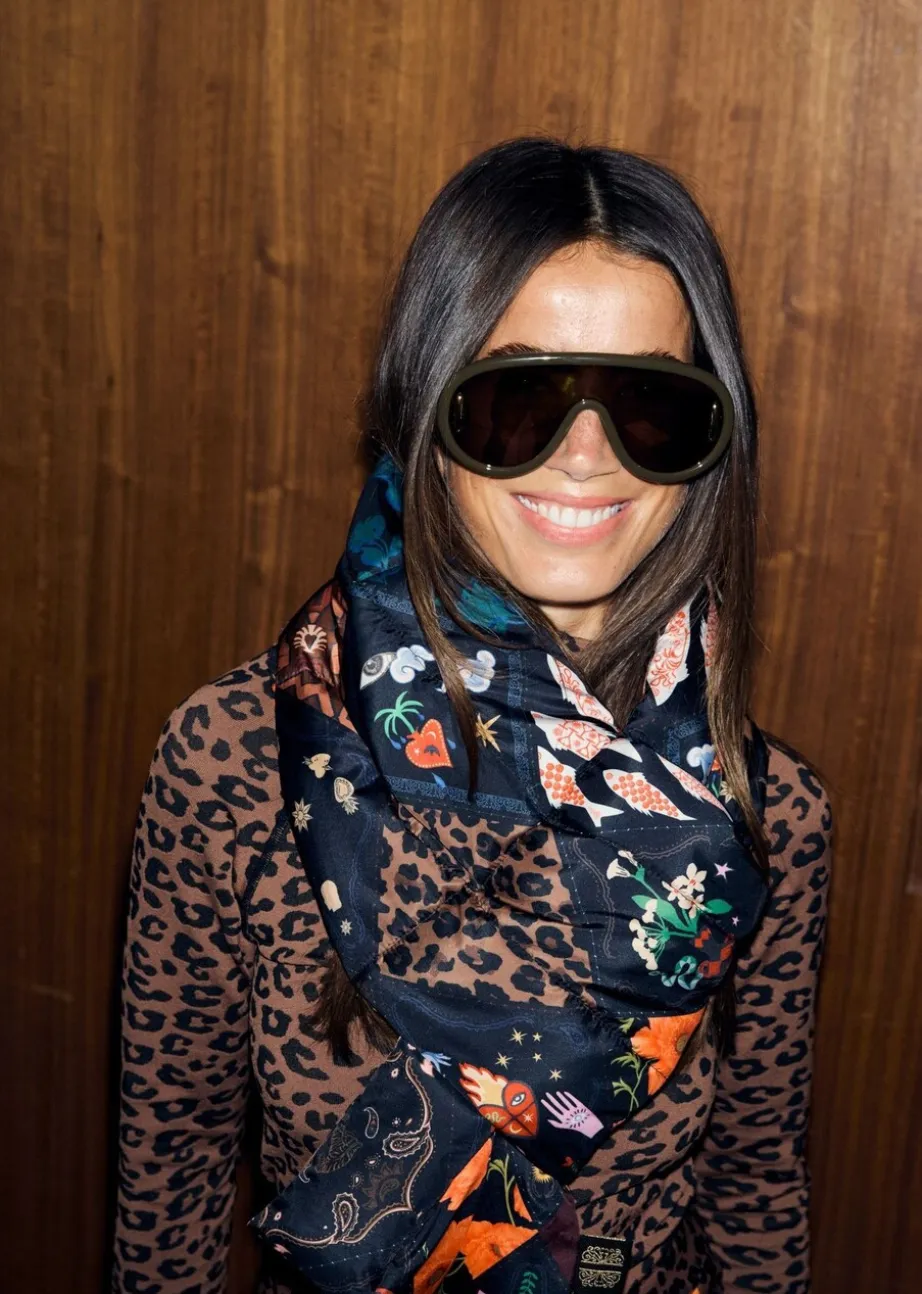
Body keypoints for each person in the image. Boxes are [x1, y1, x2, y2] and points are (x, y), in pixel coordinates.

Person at [112, 138, 832, 1294]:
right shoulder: (234, 760)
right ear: (426, 414)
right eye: (517, 399)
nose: (585, 457)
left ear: (709, 441)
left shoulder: (765, 810)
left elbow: (752, 1188)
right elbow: (172, 1186)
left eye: (649, 404)